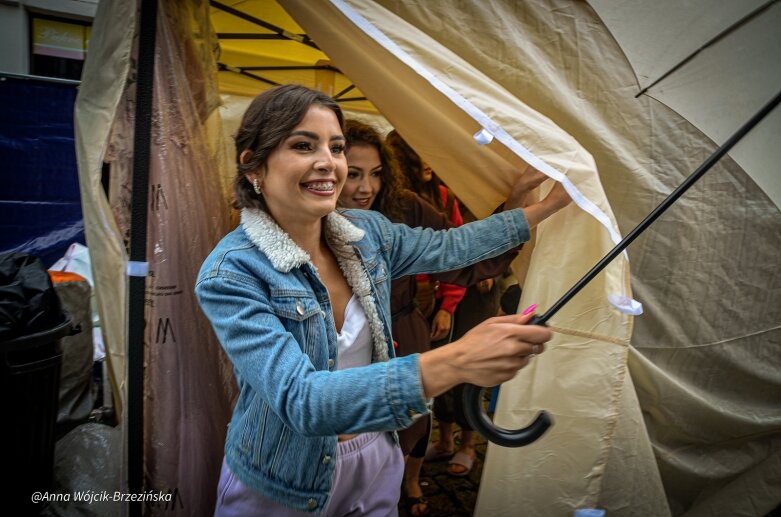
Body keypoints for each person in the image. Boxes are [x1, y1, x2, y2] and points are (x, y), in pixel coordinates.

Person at [195, 84, 570, 517]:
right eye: (303, 145)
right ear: (253, 166)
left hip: (376, 457)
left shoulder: (366, 233)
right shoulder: (231, 273)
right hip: (284, 480)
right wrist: (456, 361)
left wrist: (547, 205)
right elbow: (302, 400)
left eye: (336, 148)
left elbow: (453, 248)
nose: (328, 163)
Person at [339, 120, 527, 515]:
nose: (365, 189)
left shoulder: (403, 206)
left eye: (375, 174)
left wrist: (519, 209)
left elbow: (459, 249)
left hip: (404, 331)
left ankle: (404, 485)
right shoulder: (309, 216)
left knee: (409, 423)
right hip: (342, 350)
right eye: (352, 174)